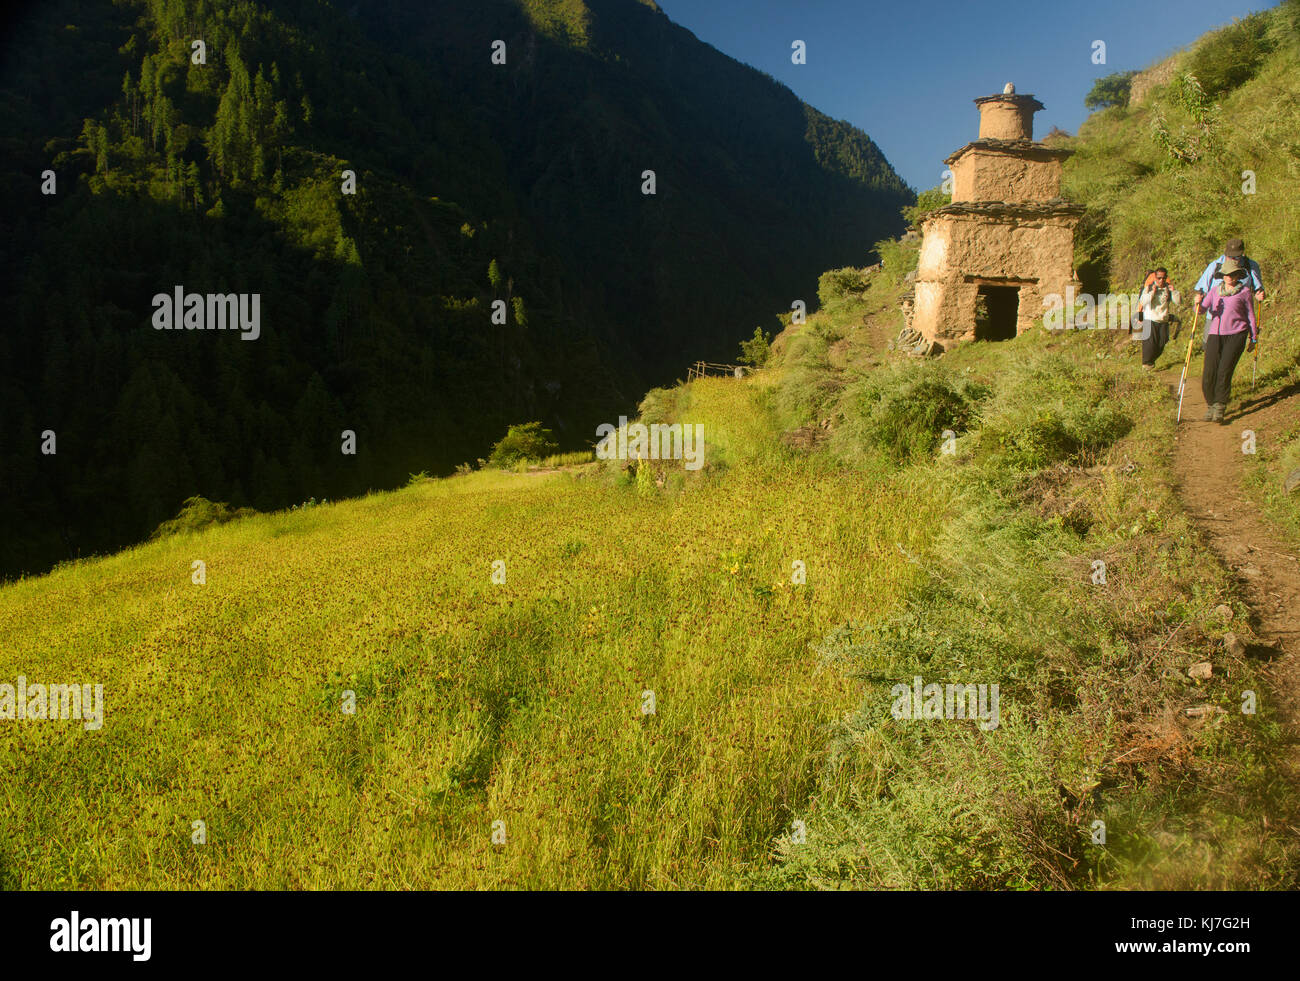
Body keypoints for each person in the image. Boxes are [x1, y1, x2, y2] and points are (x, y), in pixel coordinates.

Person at [1197, 258, 1257, 423]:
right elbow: (1202, 310)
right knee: (1209, 373)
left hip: (1237, 334)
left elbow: (1250, 316)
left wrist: (1253, 338)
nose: (1229, 277)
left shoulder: (1244, 292)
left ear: (1238, 275)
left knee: (1224, 371)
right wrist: (1198, 303)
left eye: (1233, 274)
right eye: (1226, 274)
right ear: (1222, 275)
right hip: (1215, 334)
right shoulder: (1215, 291)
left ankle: (1220, 406)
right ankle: (1211, 405)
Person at [1194, 237, 1264, 346]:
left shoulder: (1251, 266)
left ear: (1242, 254)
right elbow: (1201, 289)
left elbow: (1258, 288)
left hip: (1237, 319)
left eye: (1236, 256)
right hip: (1215, 317)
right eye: (1230, 256)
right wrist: (1199, 299)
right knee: (1208, 347)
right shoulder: (1215, 265)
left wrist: (1259, 294)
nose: (1232, 259)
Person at [1136, 267, 1179, 368]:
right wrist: (1152, 293)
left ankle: (1150, 361)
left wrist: (1174, 292)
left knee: (1162, 342)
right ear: (1155, 278)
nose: (1161, 280)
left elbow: (1178, 302)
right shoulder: (1149, 287)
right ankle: (1146, 365)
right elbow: (1143, 301)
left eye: (1163, 278)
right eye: (1159, 278)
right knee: (1150, 344)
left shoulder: (1168, 288)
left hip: (1163, 319)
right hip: (1150, 319)